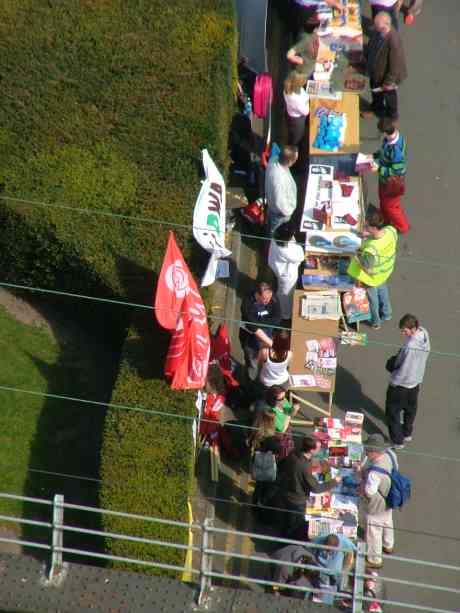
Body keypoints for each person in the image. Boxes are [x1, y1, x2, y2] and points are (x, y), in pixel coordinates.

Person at [277, 435, 341, 538]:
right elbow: (316, 488)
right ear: (311, 450)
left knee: (287, 519)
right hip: (296, 499)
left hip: (287, 491)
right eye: (318, 448)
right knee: (294, 525)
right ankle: (288, 542)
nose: (320, 449)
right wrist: (334, 481)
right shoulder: (303, 466)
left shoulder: (294, 453)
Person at [347, 208, 398, 330]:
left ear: (374, 228)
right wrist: (368, 235)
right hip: (384, 272)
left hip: (372, 278)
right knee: (383, 292)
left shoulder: (372, 249)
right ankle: (387, 314)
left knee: (372, 300)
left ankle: (376, 322)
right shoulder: (391, 231)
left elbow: (366, 268)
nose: (364, 227)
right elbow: (381, 238)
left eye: (367, 226)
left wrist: (356, 256)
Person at [385, 314, 430, 448]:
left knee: (392, 412)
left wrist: (393, 381)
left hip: (401, 385)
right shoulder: (424, 333)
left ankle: (397, 441)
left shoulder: (410, 346)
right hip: (415, 382)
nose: (403, 333)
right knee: (410, 409)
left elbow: (403, 369)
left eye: (405, 330)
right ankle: (407, 433)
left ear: (413, 328)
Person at [361, 433, 398, 568]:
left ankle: (374, 559)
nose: (366, 453)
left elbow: (369, 492)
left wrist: (362, 479)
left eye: (368, 451)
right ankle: (388, 545)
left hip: (377, 505)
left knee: (374, 531)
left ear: (375, 452)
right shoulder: (391, 454)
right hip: (391, 495)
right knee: (387, 520)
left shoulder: (374, 473)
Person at [365, 11, 407, 121]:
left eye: (377, 26)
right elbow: (371, 45)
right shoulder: (379, 31)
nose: (374, 27)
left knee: (389, 96)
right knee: (375, 89)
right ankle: (376, 108)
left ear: (386, 26)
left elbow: (395, 66)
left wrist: (388, 83)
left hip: (387, 76)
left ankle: (392, 116)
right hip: (377, 71)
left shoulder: (393, 41)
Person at [373, 118, 410, 234]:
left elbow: (397, 171)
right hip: (384, 180)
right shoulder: (390, 140)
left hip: (391, 183)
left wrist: (379, 169)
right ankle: (385, 218)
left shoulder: (396, 151)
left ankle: (402, 227)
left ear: (385, 132)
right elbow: (384, 153)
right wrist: (374, 155)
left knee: (391, 206)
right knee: (384, 201)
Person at [239, 282, 281, 381]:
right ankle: (251, 382)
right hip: (250, 341)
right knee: (252, 363)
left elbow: (277, 318)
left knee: (267, 360)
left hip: (267, 336)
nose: (268, 301)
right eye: (265, 299)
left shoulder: (273, 298)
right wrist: (272, 343)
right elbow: (253, 327)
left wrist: (259, 323)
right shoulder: (247, 303)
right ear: (257, 295)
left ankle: (264, 379)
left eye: (269, 298)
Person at [268, 223, 305, 319]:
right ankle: (285, 315)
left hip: (276, 265)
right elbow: (300, 257)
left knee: (281, 290)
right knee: (286, 295)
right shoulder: (287, 251)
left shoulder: (276, 236)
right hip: (286, 274)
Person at [310, 533, 356, 604]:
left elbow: (354, 551)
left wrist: (345, 568)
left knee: (340, 582)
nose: (329, 552)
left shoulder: (345, 542)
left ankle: (338, 596)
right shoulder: (319, 540)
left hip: (337, 569)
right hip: (321, 567)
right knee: (320, 584)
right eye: (327, 550)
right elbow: (310, 550)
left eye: (331, 550)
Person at [265, 146, 298, 235]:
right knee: (275, 234)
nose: (295, 162)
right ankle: (269, 245)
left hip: (275, 210)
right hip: (279, 215)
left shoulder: (275, 160)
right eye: (294, 160)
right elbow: (279, 202)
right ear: (288, 162)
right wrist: (289, 211)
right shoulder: (278, 179)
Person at [283, 72, 310, 146]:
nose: (305, 82)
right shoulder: (295, 98)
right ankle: (293, 149)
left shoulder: (290, 88)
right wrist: (307, 102)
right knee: (297, 136)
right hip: (297, 120)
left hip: (292, 114)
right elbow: (306, 112)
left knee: (293, 133)